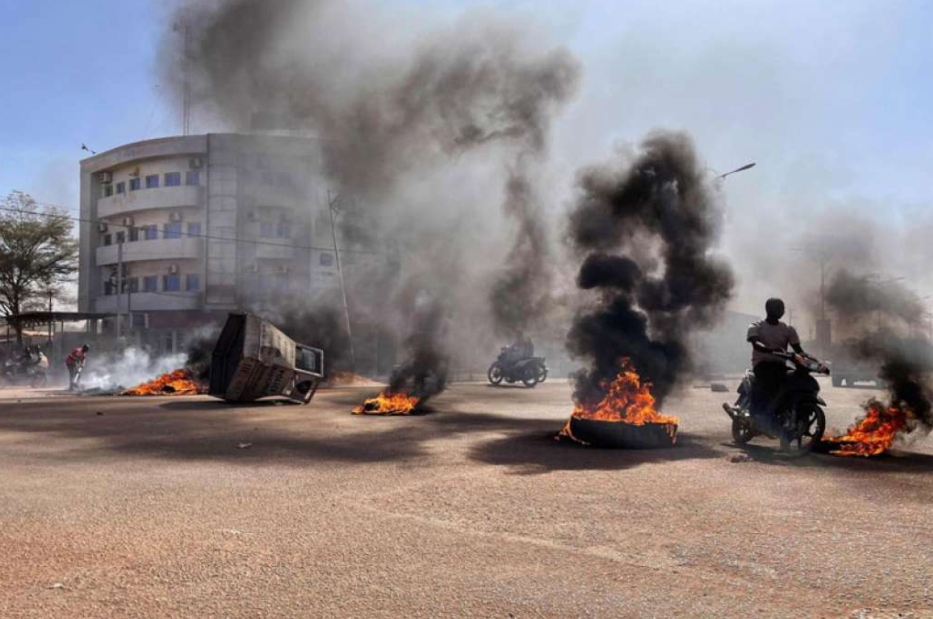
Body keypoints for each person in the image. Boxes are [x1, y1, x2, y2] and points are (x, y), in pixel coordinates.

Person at [747, 298, 804, 427]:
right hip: (762, 364)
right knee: (769, 380)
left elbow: (799, 350)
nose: (781, 310)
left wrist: (817, 363)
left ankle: (782, 411)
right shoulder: (756, 326)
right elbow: (756, 343)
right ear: (768, 309)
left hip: (780, 366)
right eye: (778, 307)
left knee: (794, 380)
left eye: (782, 308)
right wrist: (770, 349)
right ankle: (756, 414)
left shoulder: (787, 329)